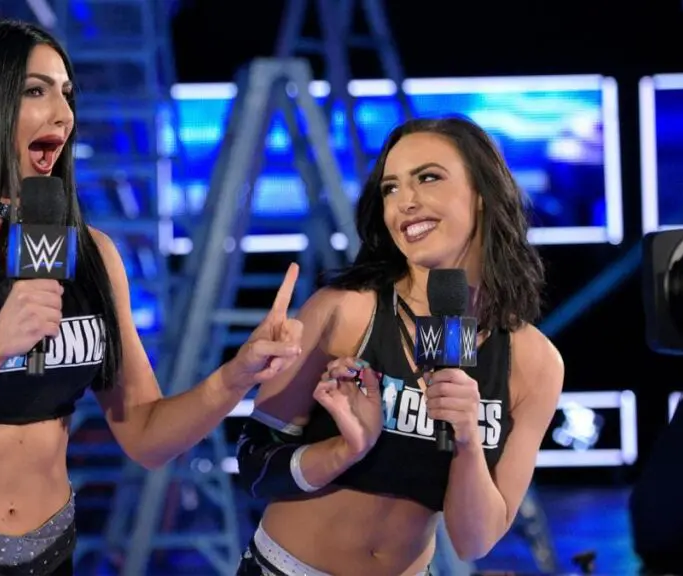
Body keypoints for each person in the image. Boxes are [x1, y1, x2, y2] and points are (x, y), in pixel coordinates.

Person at [0, 18, 303, 576]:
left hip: (50, 556)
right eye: (36, 91)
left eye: (67, 94)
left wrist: (236, 377)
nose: (63, 114)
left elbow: (146, 435)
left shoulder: (92, 253)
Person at [234, 116, 565, 576]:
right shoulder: (345, 311)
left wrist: (467, 439)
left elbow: (474, 541)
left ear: (483, 193)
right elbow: (253, 466)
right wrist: (345, 449)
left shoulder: (534, 362)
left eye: (428, 178)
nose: (405, 202)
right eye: (391, 188)